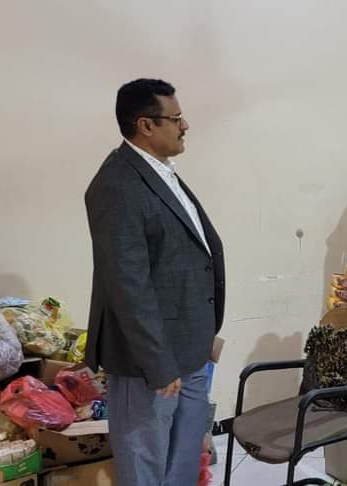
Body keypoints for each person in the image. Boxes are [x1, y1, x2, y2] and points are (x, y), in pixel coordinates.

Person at [84, 78, 225, 486]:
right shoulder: (116, 185)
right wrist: (158, 364)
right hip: (150, 362)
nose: (185, 126)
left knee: (182, 460)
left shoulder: (161, 173)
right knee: (144, 463)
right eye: (176, 119)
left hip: (190, 349)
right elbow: (128, 284)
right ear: (145, 125)